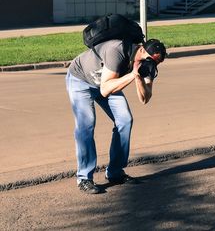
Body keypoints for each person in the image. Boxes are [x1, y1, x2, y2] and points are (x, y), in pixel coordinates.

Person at [66, 38, 167, 194]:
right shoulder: (117, 50)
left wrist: (139, 77)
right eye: (150, 60)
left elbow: (145, 98)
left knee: (125, 120)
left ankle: (115, 172)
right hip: (81, 79)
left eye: (156, 62)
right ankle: (84, 177)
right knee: (86, 124)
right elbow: (105, 90)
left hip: (106, 82)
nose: (152, 64)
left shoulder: (148, 64)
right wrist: (133, 74)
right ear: (141, 50)